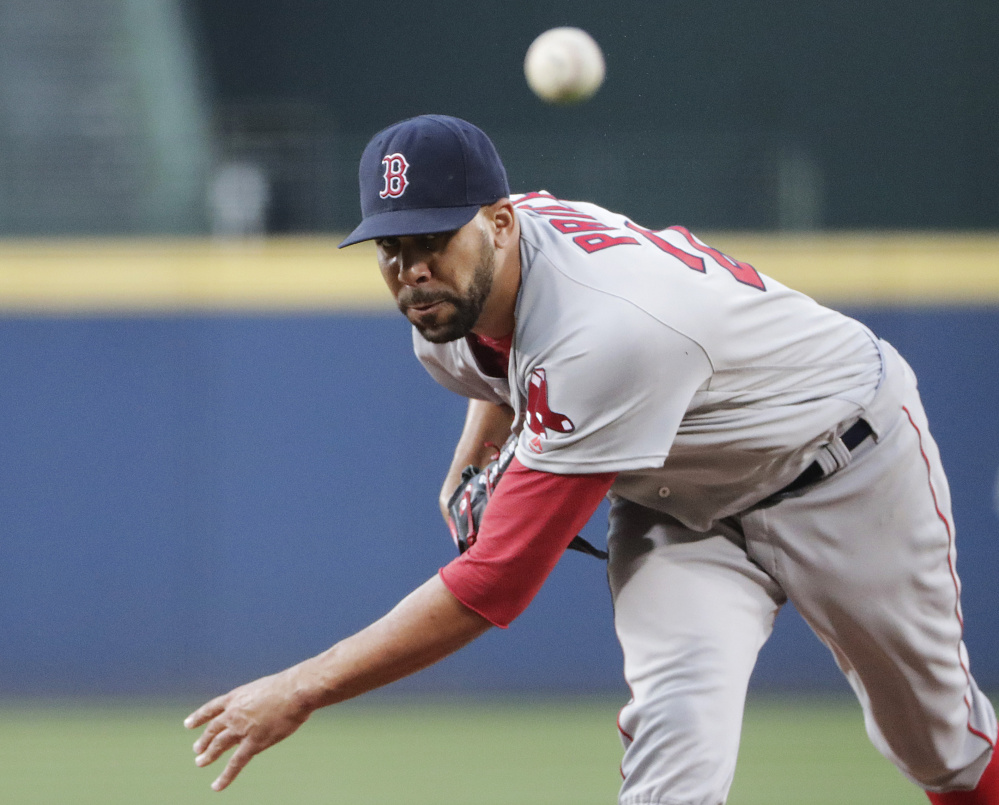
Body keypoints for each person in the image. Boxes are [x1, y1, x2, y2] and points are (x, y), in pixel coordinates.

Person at [185, 114, 997, 804]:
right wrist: (476, 451)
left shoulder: (607, 327)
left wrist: (299, 687)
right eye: (390, 245)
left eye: (434, 235)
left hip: (842, 462)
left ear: (499, 221)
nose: (412, 267)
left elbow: (493, 584)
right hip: (680, 508)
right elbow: (513, 359)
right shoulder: (450, 305)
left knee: (939, 749)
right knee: (672, 758)